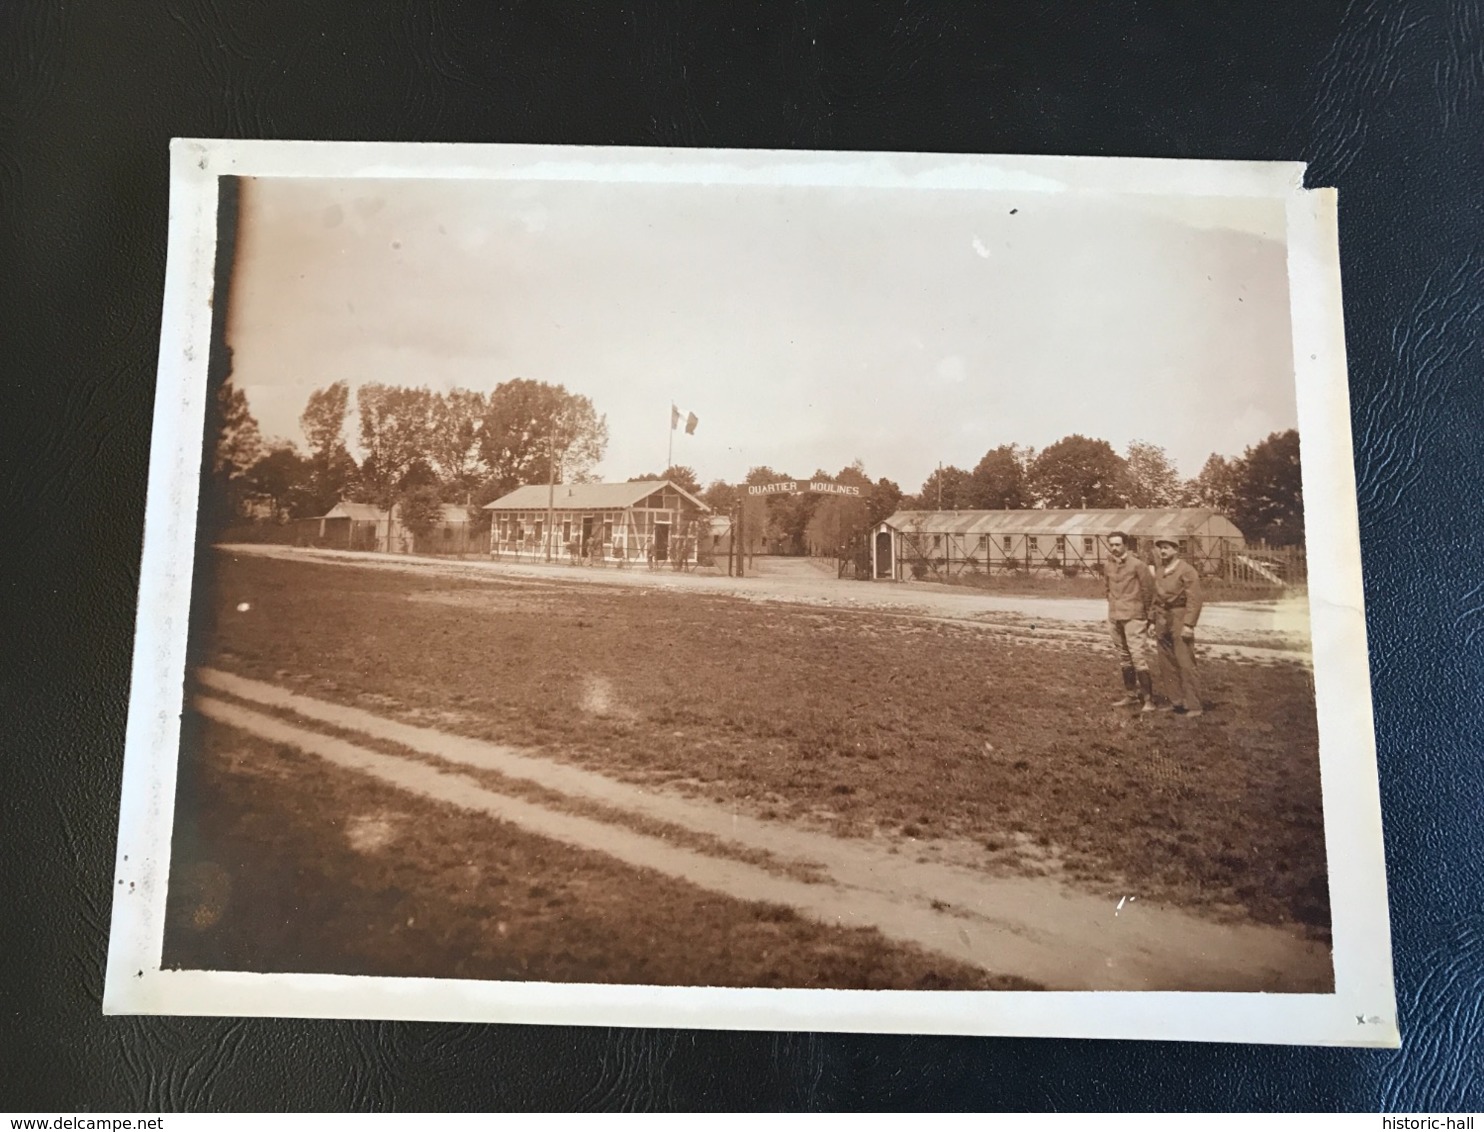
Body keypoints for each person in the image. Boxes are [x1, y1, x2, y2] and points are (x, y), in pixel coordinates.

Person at [1150, 535, 1205, 717]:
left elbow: (1194, 599)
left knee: (1185, 661)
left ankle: (1194, 705)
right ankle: (1176, 701)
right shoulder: (1160, 570)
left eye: (1166, 547)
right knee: (1166, 661)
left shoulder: (1187, 571)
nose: (1162, 551)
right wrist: (1152, 620)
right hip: (1162, 618)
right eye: (1160, 547)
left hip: (1179, 616)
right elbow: (1155, 598)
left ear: (1176, 549)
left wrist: (1189, 624)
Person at [1103, 530, 1156, 711]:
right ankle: (1131, 695)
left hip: (1134, 616)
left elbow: (1149, 592)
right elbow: (1107, 588)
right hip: (1115, 617)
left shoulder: (1138, 565)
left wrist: (1151, 619)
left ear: (1125, 545)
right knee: (1124, 657)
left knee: (1138, 657)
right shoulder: (1108, 565)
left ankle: (1148, 700)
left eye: (1117, 544)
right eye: (1111, 545)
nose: (1114, 548)